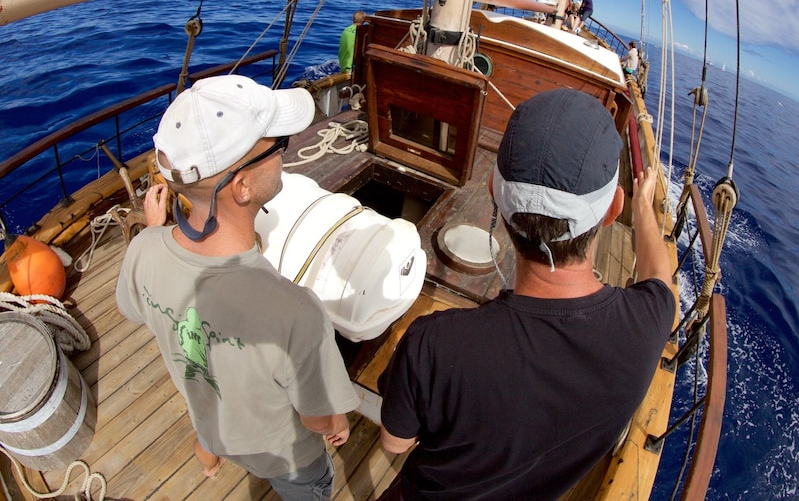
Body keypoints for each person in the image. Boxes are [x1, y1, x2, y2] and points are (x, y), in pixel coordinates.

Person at [377, 89, 675, 499]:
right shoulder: (646, 328)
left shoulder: (433, 345)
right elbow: (661, 274)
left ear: (493, 192)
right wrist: (643, 206)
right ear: (612, 209)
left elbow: (395, 442)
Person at [116, 75, 360, 499]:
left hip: (212, 424)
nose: (284, 151)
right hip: (284, 459)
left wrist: (152, 233)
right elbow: (316, 418)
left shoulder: (142, 250)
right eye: (277, 145)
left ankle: (208, 453)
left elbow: (140, 309)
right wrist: (337, 423)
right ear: (242, 186)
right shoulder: (297, 313)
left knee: (210, 431)